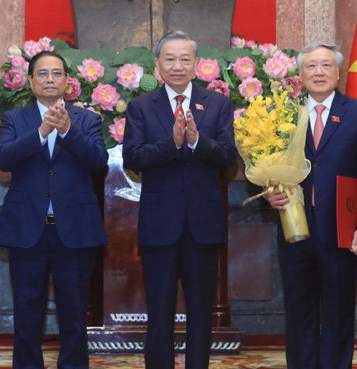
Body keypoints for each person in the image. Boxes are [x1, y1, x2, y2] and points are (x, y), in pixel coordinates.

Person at [122, 30, 238, 369]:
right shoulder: (141, 107)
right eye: (169, 59)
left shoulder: (217, 104)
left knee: (201, 309)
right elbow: (132, 158)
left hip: (203, 224)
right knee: (159, 309)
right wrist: (171, 144)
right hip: (160, 224)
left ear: (197, 64)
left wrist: (197, 140)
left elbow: (228, 157)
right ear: (157, 65)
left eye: (185, 59)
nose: (177, 66)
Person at [263, 42, 357, 369]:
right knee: (298, 308)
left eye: (326, 65)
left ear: (338, 72)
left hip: (341, 229)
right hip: (294, 227)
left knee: (338, 308)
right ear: (300, 74)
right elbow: (265, 164)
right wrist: (267, 194)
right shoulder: (282, 112)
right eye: (311, 66)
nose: (319, 72)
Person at [0, 50, 108, 369]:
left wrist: (69, 132)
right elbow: (3, 159)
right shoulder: (15, 120)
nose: (50, 79)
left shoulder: (88, 120)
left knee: (74, 313)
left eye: (56, 73)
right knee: (28, 312)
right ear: (30, 82)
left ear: (68, 81)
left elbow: (99, 162)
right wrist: (41, 134)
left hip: (75, 230)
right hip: (28, 229)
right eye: (42, 74)